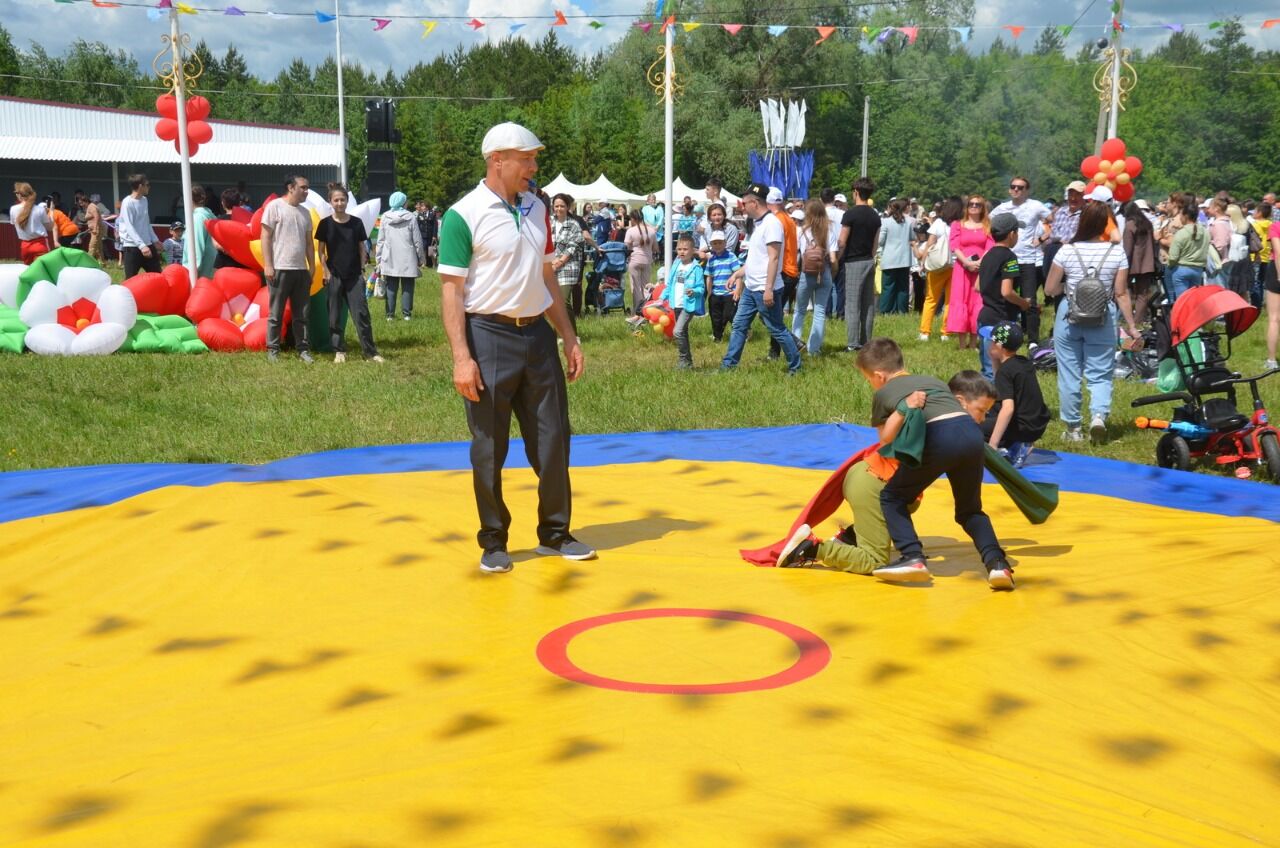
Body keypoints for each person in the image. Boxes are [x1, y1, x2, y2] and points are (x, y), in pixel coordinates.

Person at [436, 121, 592, 574]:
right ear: (496, 160)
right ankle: (494, 540)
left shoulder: (538, 208)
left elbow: (547, 277)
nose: (533, 167)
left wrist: (569, 336)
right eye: (526, 159)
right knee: (489, 445)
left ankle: (555, 533)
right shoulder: (461, 215)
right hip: (488, 336)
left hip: (538, 338)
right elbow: (451, 291)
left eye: (534, 158)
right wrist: (462, 359)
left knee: (554, 438)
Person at [858, 338, 1013, 589]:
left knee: (893, 497)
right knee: (970, 511)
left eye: (869, 380)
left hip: (940, 437)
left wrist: (901, 411)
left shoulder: (884, 393)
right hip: (972, 436)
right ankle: (998, 565)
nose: (871, 385)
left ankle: (912, 556)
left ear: (879, 376)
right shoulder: (933, 381)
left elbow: (885, 438)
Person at [1044, 201, 1141, 444]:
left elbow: (1050, 288)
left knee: (1069, 373)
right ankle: (1098, 415)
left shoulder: (1066, 251)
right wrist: (1131, 326)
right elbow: (1121, 293)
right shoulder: (1117, 252)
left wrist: (1071, 287)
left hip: (1070, 313)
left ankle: (1073, 428)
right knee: (1100, 373)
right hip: (1103, 315)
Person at [721, 182, 801, 375]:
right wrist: (737, 274)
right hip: (751, 287)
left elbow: (774, 258)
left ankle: (795, 367)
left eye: (744, 203)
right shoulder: (759, 225)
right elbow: (757, 259)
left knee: (777, 329)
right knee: (739, 325)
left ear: (755, 203)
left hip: (766, 288)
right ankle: (728, 366)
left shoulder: (772, 224)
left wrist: (768, 289)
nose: (743, 207)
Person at [316, 183, 381, 364]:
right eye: (336, 200)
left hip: (354, 276)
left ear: (347, 201)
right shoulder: (325, 224)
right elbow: (321, 251)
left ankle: (370, 352)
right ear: (330, 202)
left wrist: (361, 269)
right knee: (334, 315)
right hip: (334, 275)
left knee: (361, 314)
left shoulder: (356, 223)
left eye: (342, 200)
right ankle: (339, 350)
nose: (339, 203)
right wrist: (325, 271)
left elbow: (362, 248)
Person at [260, 174, 317, 363]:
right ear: (290, 188)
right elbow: (265, 237)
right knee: (275, 313)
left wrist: (311, 267)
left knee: (301, 315)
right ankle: (273, 349)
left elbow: (309, 243)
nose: (306, 191)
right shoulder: (274, 207)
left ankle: (303, 349)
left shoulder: (305, 212)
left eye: (307, 188)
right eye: (303, 187)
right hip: (279, 269)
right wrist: (268, 264)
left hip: (300, 270)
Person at [992, 176, 1051, 345]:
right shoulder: (1002, 208)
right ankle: (1004, 336)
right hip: (1006, 258)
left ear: (1027, 190)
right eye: (1013, 187)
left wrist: (1040, 239)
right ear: (1009, 189)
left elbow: (1055, 222)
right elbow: (988, 224)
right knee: (1005, 297)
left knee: (1030, 299)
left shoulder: (1035, 206)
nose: (1016, 190)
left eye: (1021, 187)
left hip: (1027, 259)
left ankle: (1033, 340)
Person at [983, 322, 1049, 468]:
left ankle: (1014, 447)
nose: (988, 345)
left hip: (1023, 428)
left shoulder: (1006, 371)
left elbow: (1008, 409)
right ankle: (1018, 443)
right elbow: (1001, 389)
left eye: (991, 342)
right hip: (1037, 423)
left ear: (999, 346)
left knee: (974, 426)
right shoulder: (1022, 362)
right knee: (991, 411)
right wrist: (995, 359)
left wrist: (993, 445)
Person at [974, 213, 1030, 380]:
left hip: (985, 318)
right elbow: (1007, 292)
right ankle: (998, 403)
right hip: (1002, 320)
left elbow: (977, 286)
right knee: (1000, 371)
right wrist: (1024, 303)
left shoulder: (987, 255)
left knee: (987, 369)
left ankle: (983, 403)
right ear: (1012, 234)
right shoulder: (1009, 257)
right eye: (1017, 232)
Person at [837, 177, 880, 351]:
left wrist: (836, 260)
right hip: (869, 260)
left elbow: (842, 241)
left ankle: (853, 343)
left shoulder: (850, 214)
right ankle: (866, 341)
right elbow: (876, 244)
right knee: (868, 304)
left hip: (853, 262)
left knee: (852, 304)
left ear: (856, 192)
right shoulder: (875, 215)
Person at [947, 195, 994, 351]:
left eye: (978, 204)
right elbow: (954, 245)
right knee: (961, 301)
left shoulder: (987, 225)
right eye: (971, 204)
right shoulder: (957, 225)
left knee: (977, 303)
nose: (974, 206)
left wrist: (980, 263)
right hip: (962, 269)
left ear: (983, 208)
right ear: (966, 207)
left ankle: (974, 343)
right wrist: (967, 262)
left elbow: (990, 245)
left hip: (981, 270)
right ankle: (962, 344)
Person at [792, 197, 838, 354]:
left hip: (806, 273)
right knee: (819, 312)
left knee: (800, 310)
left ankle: (795, 346)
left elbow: (797, 254)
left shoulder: (801, 231)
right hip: (823, 272)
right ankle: (814, 349)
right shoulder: (829, 230)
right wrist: (832, 273)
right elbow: (833, 258)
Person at [917, 196, 960, 341]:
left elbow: (930, 244)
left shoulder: (939, 223)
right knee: (950, 301)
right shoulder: (961, 224)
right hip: (956, 266)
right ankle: (946, 332)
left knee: (931, 299)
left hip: (937, 265)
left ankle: (925, 332)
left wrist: (923, 262)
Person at [377, 191, 425, 321]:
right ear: (403, 202)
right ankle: (407, 314)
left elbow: (381, 240)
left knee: (391, 286)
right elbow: (417, 240)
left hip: (389, 256)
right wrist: (421, 258)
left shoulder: (385, 217)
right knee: (408, 286)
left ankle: (390, 315)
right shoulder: (411, 217)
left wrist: (378, 259)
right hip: (408, 257)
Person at [661, 234, 705, 369]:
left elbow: (701, 287)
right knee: (683, 333)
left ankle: (682, 359)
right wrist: (662, 298)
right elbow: (670, 284)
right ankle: (688, 363)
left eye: (685, 249)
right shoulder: (676, 265)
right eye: (679, 249)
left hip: (688, 305)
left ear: (692, 251)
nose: (682, 252)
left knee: (677, 332)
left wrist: (694, 291)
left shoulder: (696, 268)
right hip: (676, 304)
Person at [768, 188, 802, 358]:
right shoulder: (787, 219)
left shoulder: (776, 221)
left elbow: (775, 251)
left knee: (770, 315)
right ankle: (774, 353)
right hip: (791, 270)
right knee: (775, 315)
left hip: (783, 271)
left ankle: (792, 344)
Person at [117, 174, 164, 278]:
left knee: (158, 277)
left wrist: (155, 240)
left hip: (147, 244)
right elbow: (129, 227)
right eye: (147, 185)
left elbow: (146, 223)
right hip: (132, 247)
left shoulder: (144, 200)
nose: (149, 187)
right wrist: (142, 246)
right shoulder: (127, 202)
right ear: (140, 186)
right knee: (130, 280)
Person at [1165, 195, 1210, 303]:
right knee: (1193, 300)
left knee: (1182, 301)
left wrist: (1170, 265)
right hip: (1198, 270)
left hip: (1181, 269)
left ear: (1185, 216)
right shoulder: (1205, 232)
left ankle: (1181, 320)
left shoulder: (1181, 233)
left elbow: (1173, 257)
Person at [550, 193, 584, 334]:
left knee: (563, 301)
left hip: (568, 267)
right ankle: (557, 333)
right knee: (552, 303)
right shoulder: (549, 222)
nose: (559, 209)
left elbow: (572, 247)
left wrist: (558, 262)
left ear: (568, 207)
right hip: (550, 265)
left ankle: (571, 335)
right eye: (556, 206)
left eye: (562, 206)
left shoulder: (574, 225)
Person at [1120, 200, 1159, 323]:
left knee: (1121, 290)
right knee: (1143, 295)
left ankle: (1125, 319)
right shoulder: (1148, 224)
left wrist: (1122, 265)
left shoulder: (1130, 225)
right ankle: (1137, 321)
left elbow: (1128, 249)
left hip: (1131, 265)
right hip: (1147, 264)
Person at [876, 198, 916, 314]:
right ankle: (902, 310)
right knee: (903, 287)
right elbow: (912, 238)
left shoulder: (885, 222)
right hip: (904, 259)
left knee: (888, 286)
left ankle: (886, 310)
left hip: (889, 258)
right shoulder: (908, 222)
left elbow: (880, 241)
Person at [704, 229, 741, 343]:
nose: (717, 245)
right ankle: (717, 337)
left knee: (729, 315)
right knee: (715, 316)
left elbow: (738, 274)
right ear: (711, 245)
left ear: (725, 243)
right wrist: (709, 293)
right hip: (715, 293)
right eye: (715, 243)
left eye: (720, 242)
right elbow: (709, 276)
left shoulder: (731, 256)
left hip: (729, 293)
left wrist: (737, 290)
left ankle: (743, 332)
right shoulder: (711, 260)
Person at [10, 182, 56, 263]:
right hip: (40, 244)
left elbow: (15, 224)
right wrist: (51, 212)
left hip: (25, 246)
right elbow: (50, 227)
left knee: (29, 272)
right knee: (43, 271)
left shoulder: (13, 209)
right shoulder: (39, 209)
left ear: (19, 195)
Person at [623, 209, 657, 316]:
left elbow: (626, 247)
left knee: (636, 287)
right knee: (646, 286)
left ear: (633, 219)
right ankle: (647, 309)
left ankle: (637, 311)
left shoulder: (630, 231)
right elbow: (655, 248)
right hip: (647, 261)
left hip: (634, 260)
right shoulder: (651, 231)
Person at [184, 185, 217, 279]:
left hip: (200, 273)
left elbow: (196, 245)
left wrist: (193, 270)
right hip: (209, 268)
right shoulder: (209, 215)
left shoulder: (197, 218)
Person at [1251, 201, 1273, 309]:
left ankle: (1255, 305)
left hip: (1255, 256)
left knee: (1254, 282)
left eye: (1255, 211)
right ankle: (1259, 303)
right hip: (1267, 256)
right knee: (1261, 282)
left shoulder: (1254, 225)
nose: (1253, 213)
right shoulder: (1271, 225)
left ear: (1259, 213)